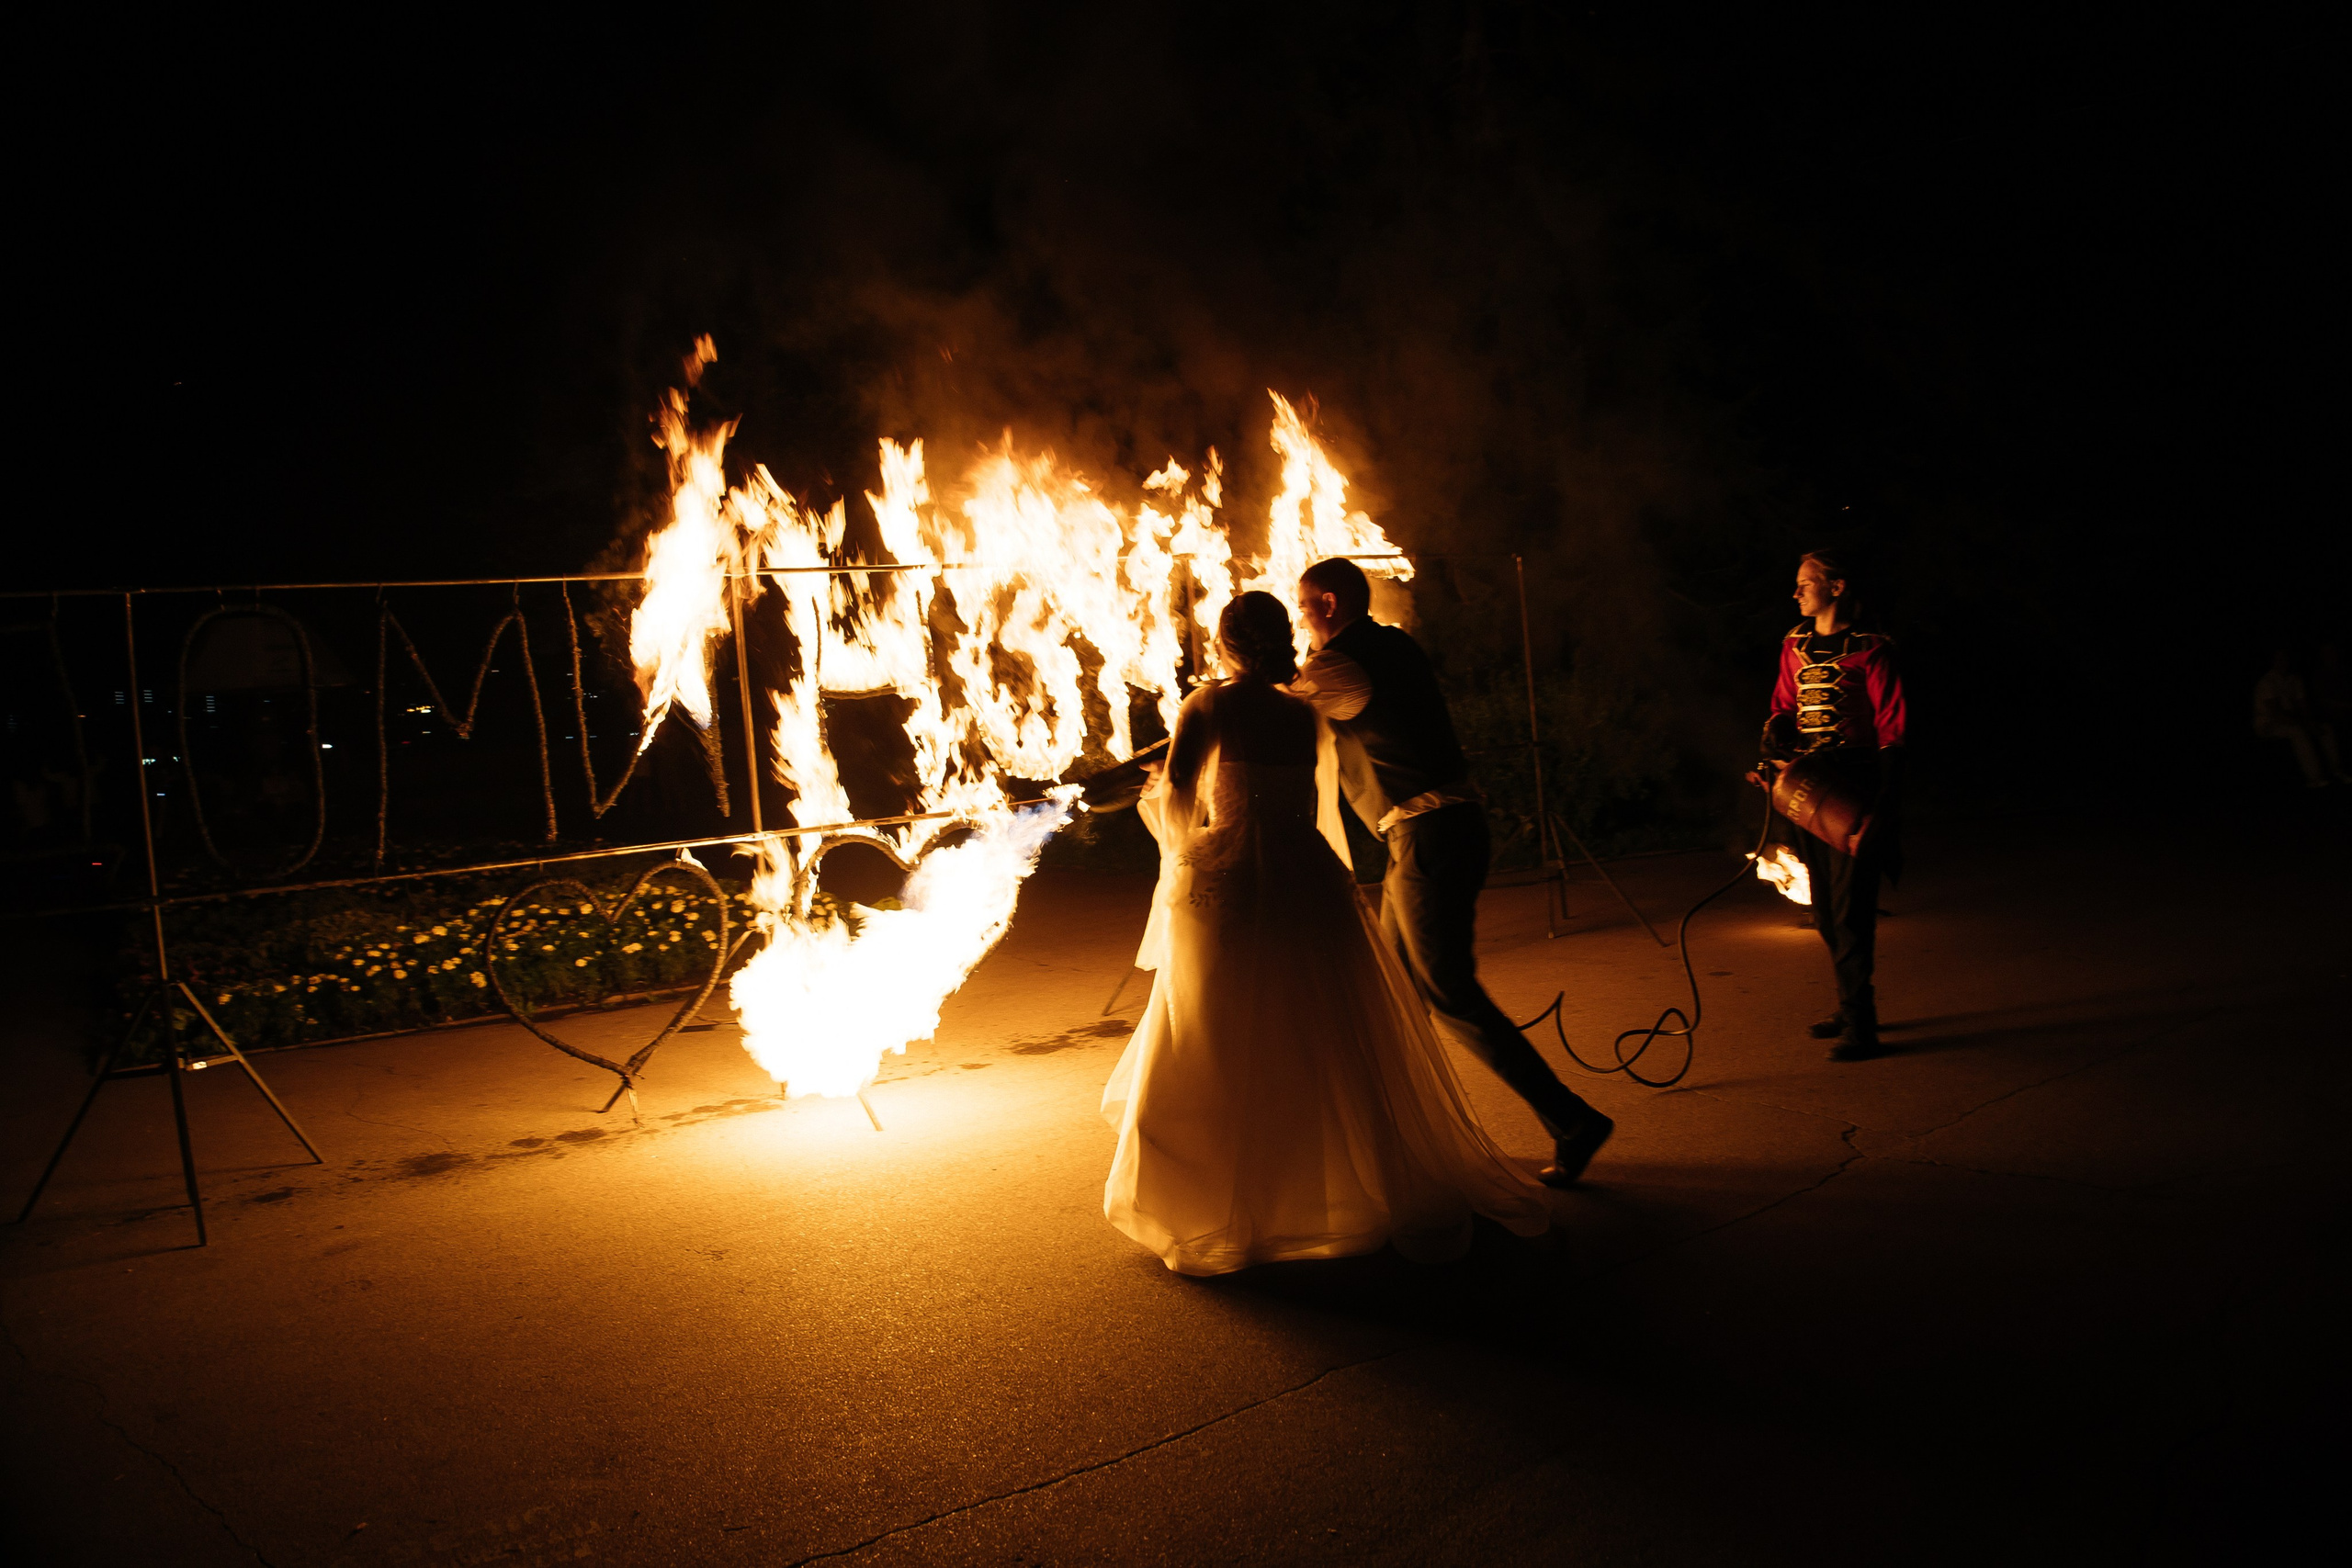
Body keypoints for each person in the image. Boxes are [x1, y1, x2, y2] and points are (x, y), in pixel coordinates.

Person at [1101, 592, 1555, 1275]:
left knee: (1210, 1027)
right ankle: (1320, 1186)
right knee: (1308, 1028)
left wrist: (1155, 799)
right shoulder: (1299, 710)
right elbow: (1311, 802)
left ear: (1225, 642)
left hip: (1230, 874)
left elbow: (1183, 798)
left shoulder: (1209, 704)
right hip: (1303, 870)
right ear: (1280, 639)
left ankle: (1223, 1197)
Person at [1287, 558, 1613, 1185]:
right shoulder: (1393, 644)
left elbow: (1274, 715)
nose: (1300, 615)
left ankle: (1572, 1120)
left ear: (1328, 602)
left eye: (1303, 604)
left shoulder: (1338, 664)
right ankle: (1399, 1142)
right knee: (1399, 992)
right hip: (1437, 829)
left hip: (1427, 832)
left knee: (1446, 991)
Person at [1764, 549, 1905, 1061]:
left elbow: (1892, 725)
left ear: (1836, 587)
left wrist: (1886, 795)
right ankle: (1849, 1006)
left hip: (1854, 787)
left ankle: (1861, 1024)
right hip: (1808, 782)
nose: (1796, 592)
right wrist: (1774, 738)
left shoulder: (1872, 649)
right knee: (1822, 906)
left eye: (1806, 582)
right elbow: (1783, 705)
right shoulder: (1794, 644)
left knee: (1850, 908)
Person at [2252, 645, 2347, 788]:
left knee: (2325, 728)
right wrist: (2304, 724)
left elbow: (2303, 706)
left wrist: (2311, 722)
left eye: (2285, 658)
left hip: (2292, 720)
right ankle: (2314, 778)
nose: (2283, 661)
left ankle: (2337, 770)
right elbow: (2276, 714)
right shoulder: (2267, 682)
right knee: (2298, 732)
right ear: (2272, 661)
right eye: (2279, 658)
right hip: (2268, 723)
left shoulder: (2294, 680)